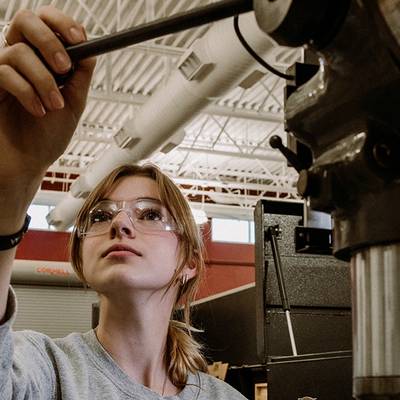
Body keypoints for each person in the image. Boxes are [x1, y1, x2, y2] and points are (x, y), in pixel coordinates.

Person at [0, 6, 248, 400]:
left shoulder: (225, 398)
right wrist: (10, 185)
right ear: (81, 256)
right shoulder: (42, 369)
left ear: (190, 261)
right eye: (100, 215)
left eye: (150, 213)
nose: (121, 225)